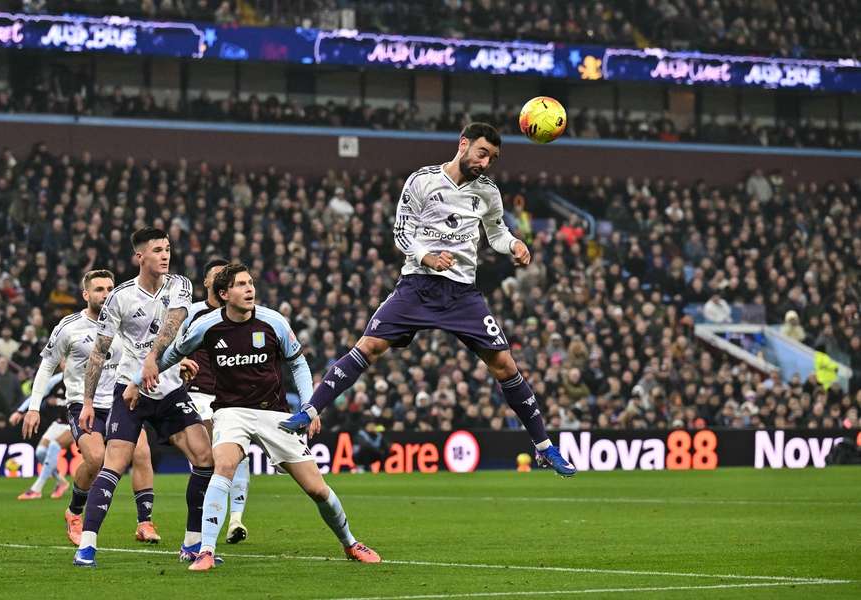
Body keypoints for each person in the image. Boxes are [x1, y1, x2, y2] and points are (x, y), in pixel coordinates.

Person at [280, 123, 575, 476]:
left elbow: (496, 232)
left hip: (462, 294)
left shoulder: (488, 192)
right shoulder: (422, 180)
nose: (485, 162)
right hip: (417, 285)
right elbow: (401, 231)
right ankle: (308, 413)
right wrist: (427, 257)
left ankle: (544, 448)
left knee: (505, 366)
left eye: (493, 158)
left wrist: (514, 244)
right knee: (369, 347)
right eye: (482, 153)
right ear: (463, 144)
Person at [128, 262, 380, 570]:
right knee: (224, 465)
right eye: (241, 285)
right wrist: (139, 381)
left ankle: (350, 543)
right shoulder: (206, 326)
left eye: (251, 283)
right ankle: (206, 550)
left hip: (274, 413)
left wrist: (308, 405)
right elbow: (170, 357)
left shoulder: (273, 321)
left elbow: (298, 364)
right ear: (224, 293)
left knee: (316, 488)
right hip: (231, 412)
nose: (250, 290)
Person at [73, 228, 213, 567]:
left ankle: (193, 544)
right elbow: (98, 353)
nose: (165, 255)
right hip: (129, 392)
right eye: (157, 250)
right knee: (114, 464)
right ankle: (87, 545)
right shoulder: (120, 297)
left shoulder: (179, 284)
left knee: (205, 457)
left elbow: (174, 321)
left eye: (167, 249)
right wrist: (89, 402)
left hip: (168, 389)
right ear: (140, 257)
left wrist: (157, 359)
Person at [17, 270, 160, 545]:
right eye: (99, 290)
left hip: (121, 400)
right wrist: (33, 408)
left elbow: (147, 352)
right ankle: (73, 512)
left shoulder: (125, 323)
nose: (106, 295)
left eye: (109, 288)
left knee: (142, 454)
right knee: (95, 460)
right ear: (86, 295)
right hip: (84, 406)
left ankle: (144, 522)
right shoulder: (69, 327)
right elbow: (47, 366)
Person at [183, 257, 252, 544]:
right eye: (217, 275)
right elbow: (175, 345)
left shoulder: (239, 316)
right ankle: (199, 531)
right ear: (209, 283)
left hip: (228, 397)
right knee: (210, 459)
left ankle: (235, 520)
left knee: (239, 457)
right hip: (199, 394)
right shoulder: (194, 313)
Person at [11, 371, 71, 501]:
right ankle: (61, 482)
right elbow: (37, 394)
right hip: (60, 422)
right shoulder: (55, 380)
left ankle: (36, 489)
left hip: (77, 422)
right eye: (64, 359)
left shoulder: (84, 378)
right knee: (40, 452)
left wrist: (59, 401)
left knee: (54, 445)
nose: (67, 362)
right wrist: (20, 411)